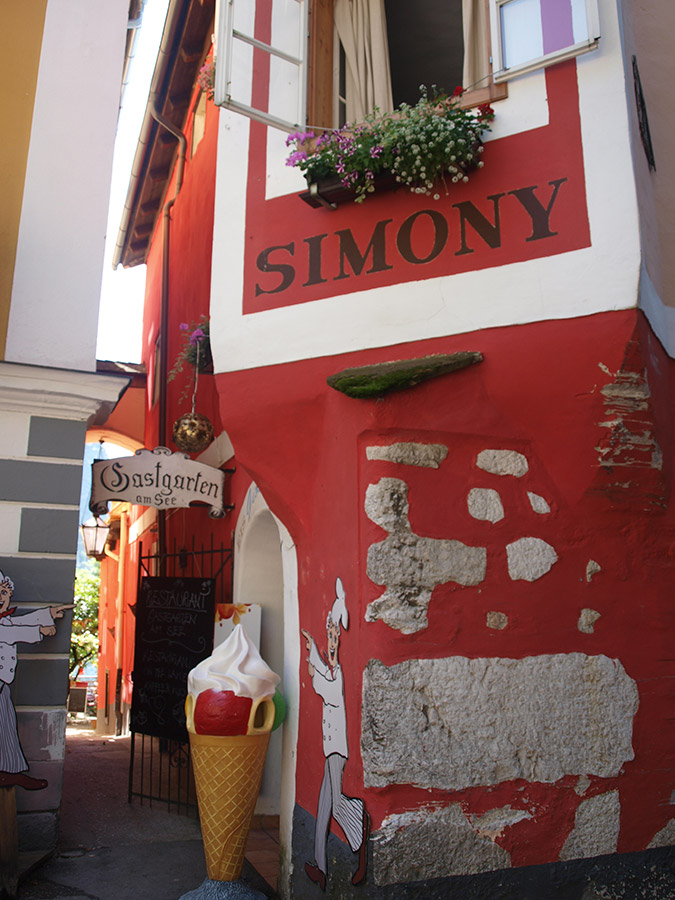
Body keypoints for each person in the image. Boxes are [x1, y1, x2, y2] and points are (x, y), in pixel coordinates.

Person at [301, 577, 369, 891]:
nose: (332, 640)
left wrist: (313, 652)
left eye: (333, 635)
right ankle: (321, 868)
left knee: (338, 804)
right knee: (323, 807)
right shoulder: (330, 670)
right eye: (329, 634)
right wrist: (314, 655)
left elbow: (326, 690)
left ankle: (359, 833)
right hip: (331, 748)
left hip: (337, 751)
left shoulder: (336, 673)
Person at [0, 571, 73, 790]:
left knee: (7, 727)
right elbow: (11, 633)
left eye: (3, 591)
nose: (1, 596)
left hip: (2, 686)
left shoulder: (6, 621)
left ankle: (9, 771)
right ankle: (9, 772)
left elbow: (19, 623)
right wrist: (39, 630)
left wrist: (49, 613)